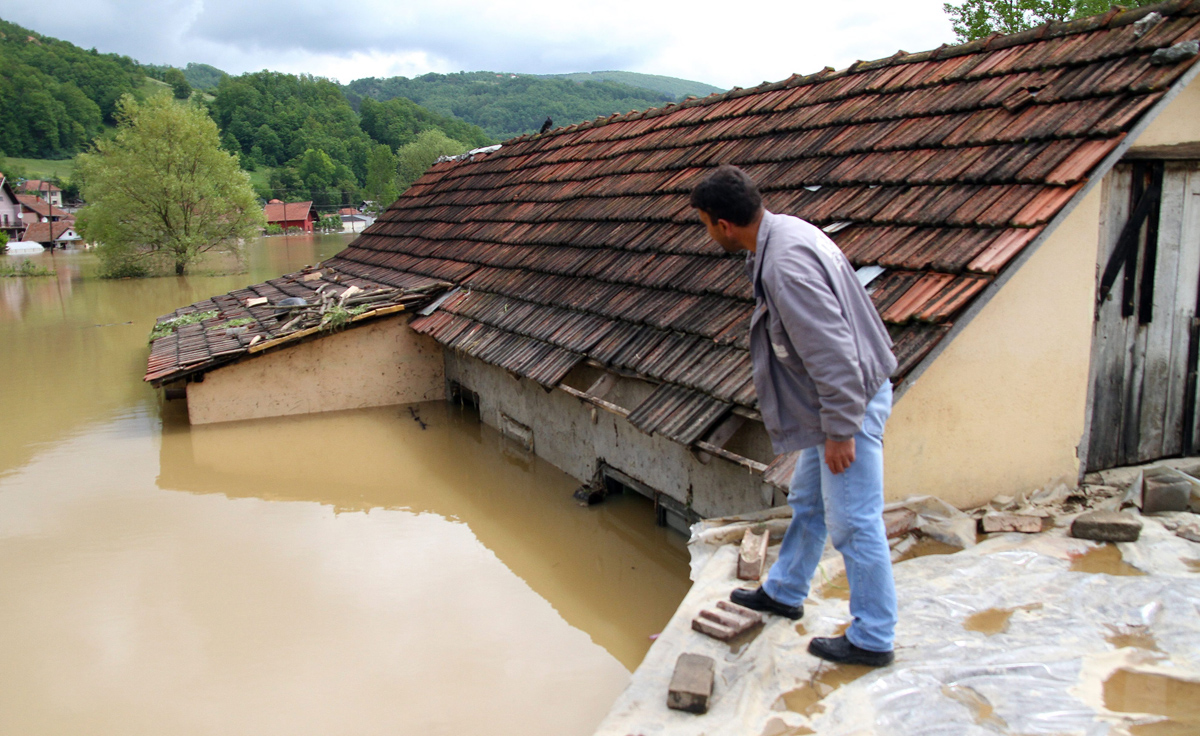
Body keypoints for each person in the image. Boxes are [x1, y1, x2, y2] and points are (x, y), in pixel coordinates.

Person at [690, 165, 899, 668]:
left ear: (723, 224)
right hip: (834, 404)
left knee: (855, 523)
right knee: (808, 500)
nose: (705, 232)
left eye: (703, 223)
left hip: (847, 404)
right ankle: (784, 590)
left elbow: (833, 354)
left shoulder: (785, 265)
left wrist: (841, 429)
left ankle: (873, 637)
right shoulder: (789, 231)